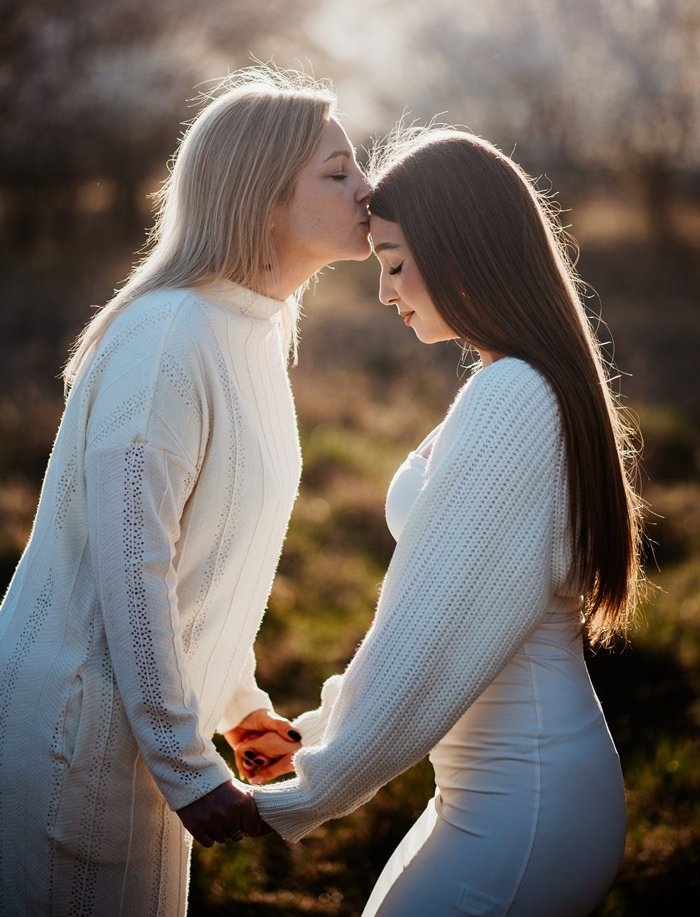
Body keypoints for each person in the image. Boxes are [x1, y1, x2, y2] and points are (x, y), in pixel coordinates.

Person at [243, 126, 646, 916]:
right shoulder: (515, 382)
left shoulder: (512, 399)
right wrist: (313, 737)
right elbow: (419, 624)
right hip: (493, 791)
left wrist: (301, 792)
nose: (386, 293)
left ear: (461, 251)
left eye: (394, 264)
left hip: (522, 802)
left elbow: (426, 639)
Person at [0, 66, 372, 916]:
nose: (367, 188)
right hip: (76, 741)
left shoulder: (252, 331)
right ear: (264, 197)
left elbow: (213, 563)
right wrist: (184, 758)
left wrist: (236, 707)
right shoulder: (170, 335)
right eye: (338, 170)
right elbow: (139, 566)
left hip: (144, 741)